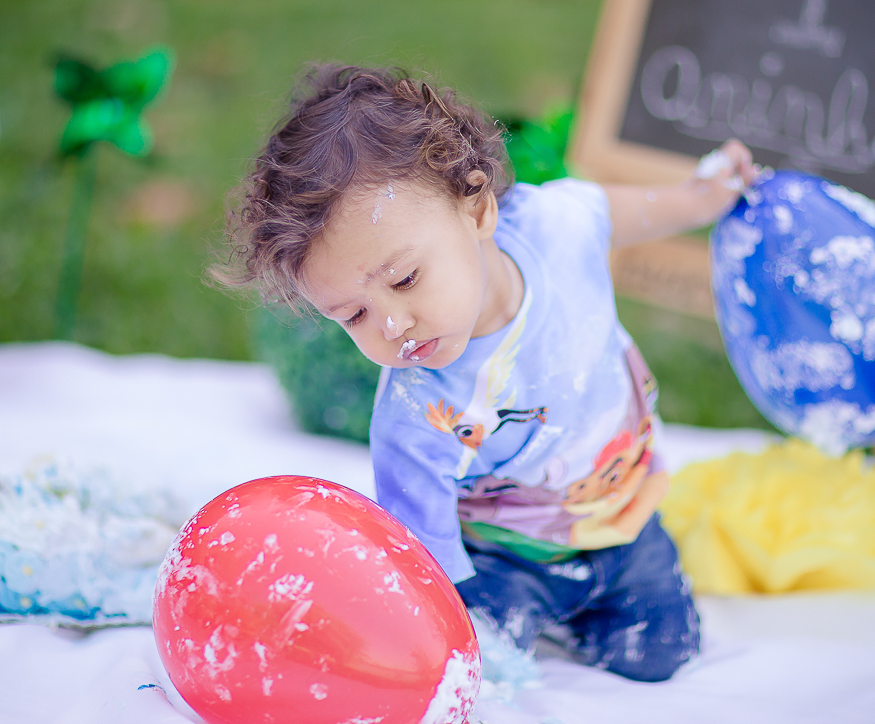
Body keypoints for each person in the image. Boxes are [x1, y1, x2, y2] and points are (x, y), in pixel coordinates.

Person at [220, 64, 756, 682]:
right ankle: (527, 622)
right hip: (504, 560)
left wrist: (700, 197)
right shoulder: (415, 412)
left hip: (625, 519)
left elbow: (621, 214)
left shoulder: (555, 227)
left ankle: (598, 608)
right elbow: (424, 557)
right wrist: (435, 633)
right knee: (477, 666)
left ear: (476, 209)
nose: (392, 325)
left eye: (405, 280)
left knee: (661, 657)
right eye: (354, 315)